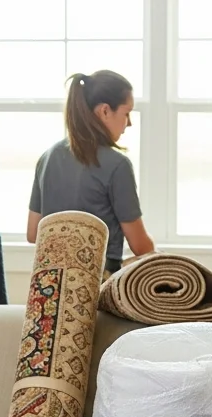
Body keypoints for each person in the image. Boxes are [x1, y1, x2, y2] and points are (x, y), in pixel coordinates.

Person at [28, 70, 155, 277]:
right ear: (105, 111)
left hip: (49, 283)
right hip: (96, 282)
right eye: (126, 113)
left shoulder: (47, 157)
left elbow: (33, 233)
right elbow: (140, 246)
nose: (129, 123)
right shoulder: (118, 165)